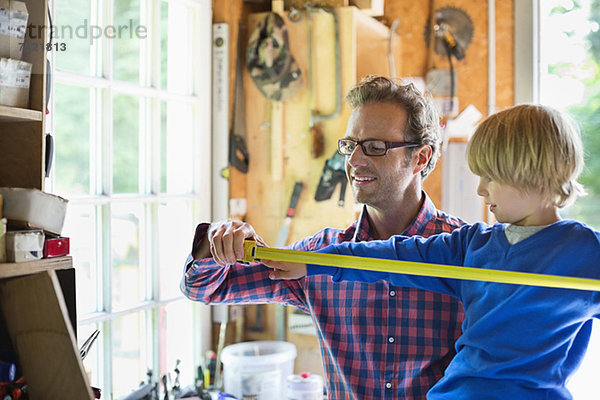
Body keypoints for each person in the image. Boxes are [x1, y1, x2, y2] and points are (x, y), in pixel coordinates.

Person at [264, 104, 600, 400]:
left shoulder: (586, 254)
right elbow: (391, 257)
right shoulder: (472, 245)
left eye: (491, 177)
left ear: (532, 172)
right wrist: (315, 264)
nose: (481, 189)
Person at [181, 75, 467, 399]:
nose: (354, 161)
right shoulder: (317, 257)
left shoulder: (467, 253)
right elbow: (207, 288)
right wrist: (215, 241)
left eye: (375, 147)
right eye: (350, 145)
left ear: (421, 157)